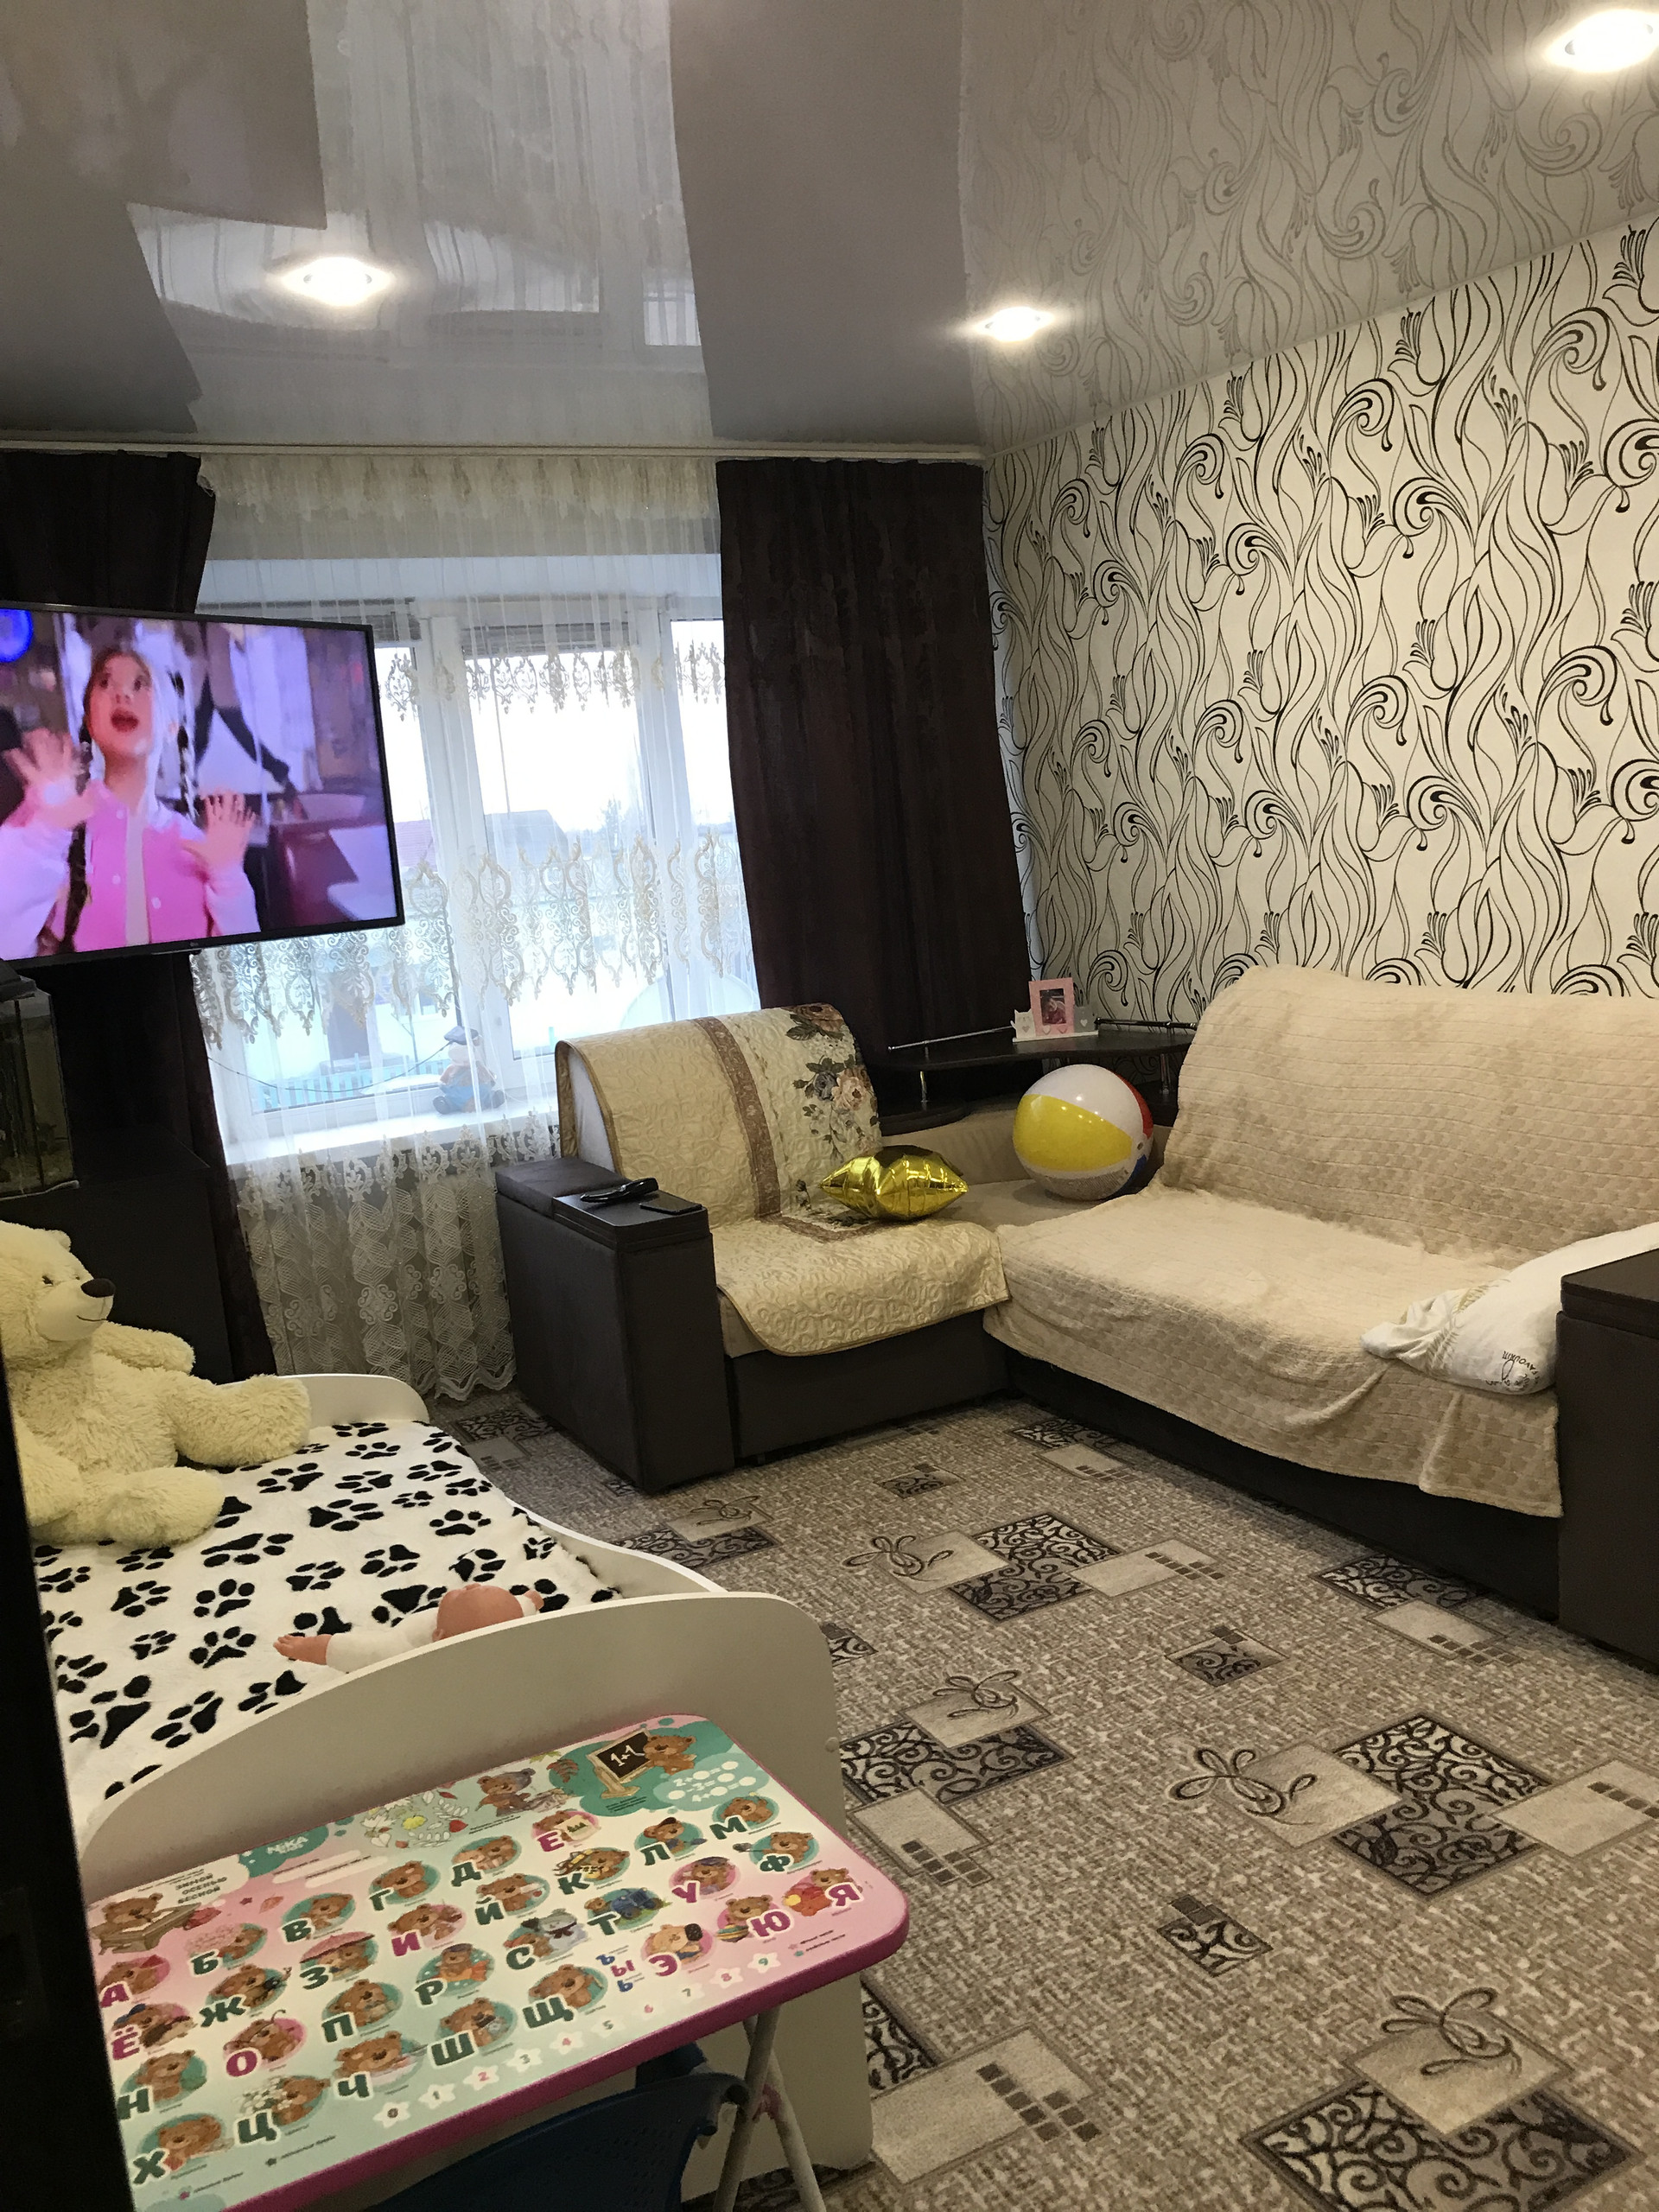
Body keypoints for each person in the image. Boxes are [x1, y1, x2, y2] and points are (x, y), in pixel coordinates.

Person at [0, 644, 257, 957]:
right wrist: (43, 835)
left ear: (171, 726)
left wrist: (229, 878)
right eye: (105, 683)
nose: (122, 694)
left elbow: (239, 967)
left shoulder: (199, 848)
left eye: (140, 684)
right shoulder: (51, 824)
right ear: (90, 722)